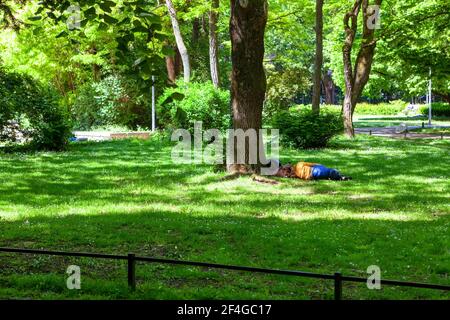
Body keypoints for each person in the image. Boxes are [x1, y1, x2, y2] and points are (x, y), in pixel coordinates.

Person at [276, 161, 352, 181]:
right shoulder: (298, 167)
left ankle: (338, 176)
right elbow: (312, 164)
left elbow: (312, 164)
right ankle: (339, 177)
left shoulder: (298, 167)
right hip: (313, 172)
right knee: (329, 172)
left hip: (313, 172)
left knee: (327, 173)